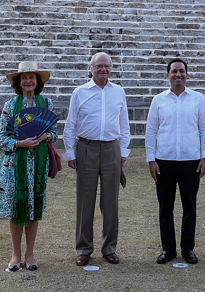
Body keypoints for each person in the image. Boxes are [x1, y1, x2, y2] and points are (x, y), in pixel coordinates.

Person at [63, 52, 131, 266]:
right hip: (86, 147)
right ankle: (84, 248)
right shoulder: (79, 92)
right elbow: (71, 124)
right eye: (99, 66)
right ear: (91, 68)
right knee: (85, 200)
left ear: (111, 68)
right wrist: (70, 153)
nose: (103, 70)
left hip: (112, 148)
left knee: (110, 200)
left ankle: (109, 248)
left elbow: (124, 124)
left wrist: (123, 152)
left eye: (107, 66)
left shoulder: (119, 91)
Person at [145, 58, 205, 265]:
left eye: (182, 71)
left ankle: (187, 248)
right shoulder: (158, 100)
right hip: (164, 161)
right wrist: (151, 160)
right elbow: (151, 131)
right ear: (168, 75)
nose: (178, 74)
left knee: (189, 207)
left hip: (191, 161)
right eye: (174, 71)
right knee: (165, 207)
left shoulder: (198, 99)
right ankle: (168, 249)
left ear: (187, 74)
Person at [0, 61, 58, 272]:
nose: (28, 81)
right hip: (14, 166)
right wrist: (20, 143)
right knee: (16, 208)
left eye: (32, 77)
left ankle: (30, 254)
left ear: (37, 81)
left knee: (33, 208)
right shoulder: (10, 106)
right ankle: (15, 255)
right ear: (19, 83)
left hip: (36, 167)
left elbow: (55, 134)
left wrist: (46, 136)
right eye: (24, 78)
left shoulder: (46, 104)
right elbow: (1, 138)